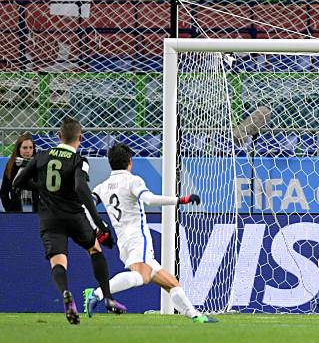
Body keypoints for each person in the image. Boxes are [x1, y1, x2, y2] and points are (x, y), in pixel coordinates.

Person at [83, 143, 217, 324]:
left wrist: (98, 229)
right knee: (142, 277)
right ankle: (98, 293)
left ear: (110, 163)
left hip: (124, 241)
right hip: (138, 238)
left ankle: (195, 316)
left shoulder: (102, 187)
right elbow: (149, 199)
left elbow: (85, 208)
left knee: (171, 282)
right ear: (130, 161)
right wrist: (180, 200)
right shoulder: (133, 180)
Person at [13, 118, 126, 325]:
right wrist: (99, 222)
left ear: (58, 136)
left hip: (49, 217)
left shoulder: (41, 156)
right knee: (94, 249)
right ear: (80, 139)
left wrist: (42, 189)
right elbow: (81, 188)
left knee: (58, 261)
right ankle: (109, 298)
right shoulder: (79, 161)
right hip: (74, 216)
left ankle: (66, 293)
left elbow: (17, 182)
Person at [1, 133, 39, 212]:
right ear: (18, 149)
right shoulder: (11, 165)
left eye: (30, 147)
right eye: (25, 148)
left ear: (33, 149)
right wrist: (9, 209)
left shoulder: (39, 164)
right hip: (16, 212)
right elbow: (4, 192)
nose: (28, 150)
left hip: (37, 212)